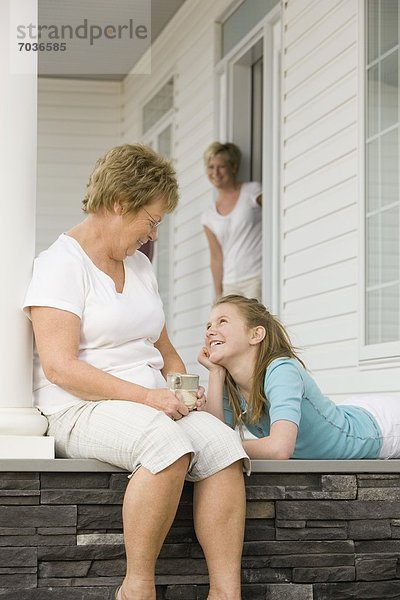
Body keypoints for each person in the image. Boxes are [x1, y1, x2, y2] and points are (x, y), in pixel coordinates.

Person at [23, 145, 250, 600]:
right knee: (165, 444)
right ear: (119, 203)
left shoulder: (140, 265)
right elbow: (60, 367)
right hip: (81, 408)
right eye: (151, 219)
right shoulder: (60, 265)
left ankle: (226, 594)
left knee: (225, 445)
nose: (153, 231)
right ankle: (137, 587)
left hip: (152, 404)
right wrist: (149, 399)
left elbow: (164, 351)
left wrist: (181, 388)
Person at [199, 294, 400, 460]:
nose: (210, 332)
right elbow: (217, 437)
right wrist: (215, 373)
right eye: (208, 326)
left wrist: (225, 448)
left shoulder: (281, 370)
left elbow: (279, 449)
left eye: (222, 322)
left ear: (256, 335)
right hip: (348, 414)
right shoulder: (230, 383)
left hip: (381, 428)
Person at [201, 142, 262, 301]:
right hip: (230, 283)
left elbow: (276, 215)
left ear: (233, 167)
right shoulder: (208, 215)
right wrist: (219, 293)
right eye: (211, 167)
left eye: (221, 166)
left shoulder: (253, 191)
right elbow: (216, 256)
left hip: (256, 277)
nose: (216, 172)